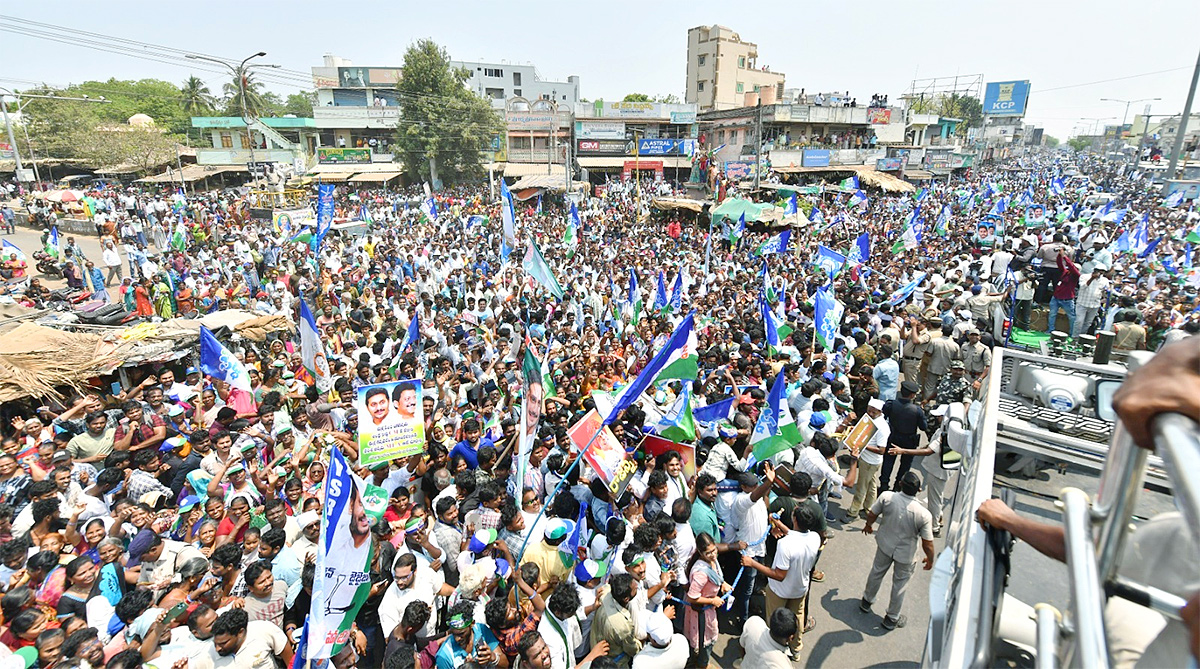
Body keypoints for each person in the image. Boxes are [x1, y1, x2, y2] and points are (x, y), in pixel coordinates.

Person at [740, 503, 822, 657]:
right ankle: (796, 649)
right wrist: (778, 524)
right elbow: (796, 535)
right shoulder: (814, 537)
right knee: (797, 617)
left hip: (780, 590)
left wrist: (752, 563)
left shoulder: (785, 544)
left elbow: (778, 575)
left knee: (774, 620)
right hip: (800, 588)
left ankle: (773, 651)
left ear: (795, 520)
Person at [860, 471, 935, 630]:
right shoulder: (924, 515)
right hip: (905, 555)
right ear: (919, 489)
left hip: (885, 544)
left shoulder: (887, 497)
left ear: (900, 484)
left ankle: (866, 601)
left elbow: (873, 513)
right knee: (899, 585)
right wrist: (930, 559)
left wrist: (868, 526)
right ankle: (892, 618)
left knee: (876, 572)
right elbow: (927, 543)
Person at [878, 381, 927, 492]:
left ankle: (884, 485)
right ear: (912, 395)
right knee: (905, 465)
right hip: (909, 441)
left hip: (893, 436)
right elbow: (924, 427)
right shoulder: (917, 410)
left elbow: (883, 416)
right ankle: (898, 486)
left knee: (888, 462)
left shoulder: (891, 404)